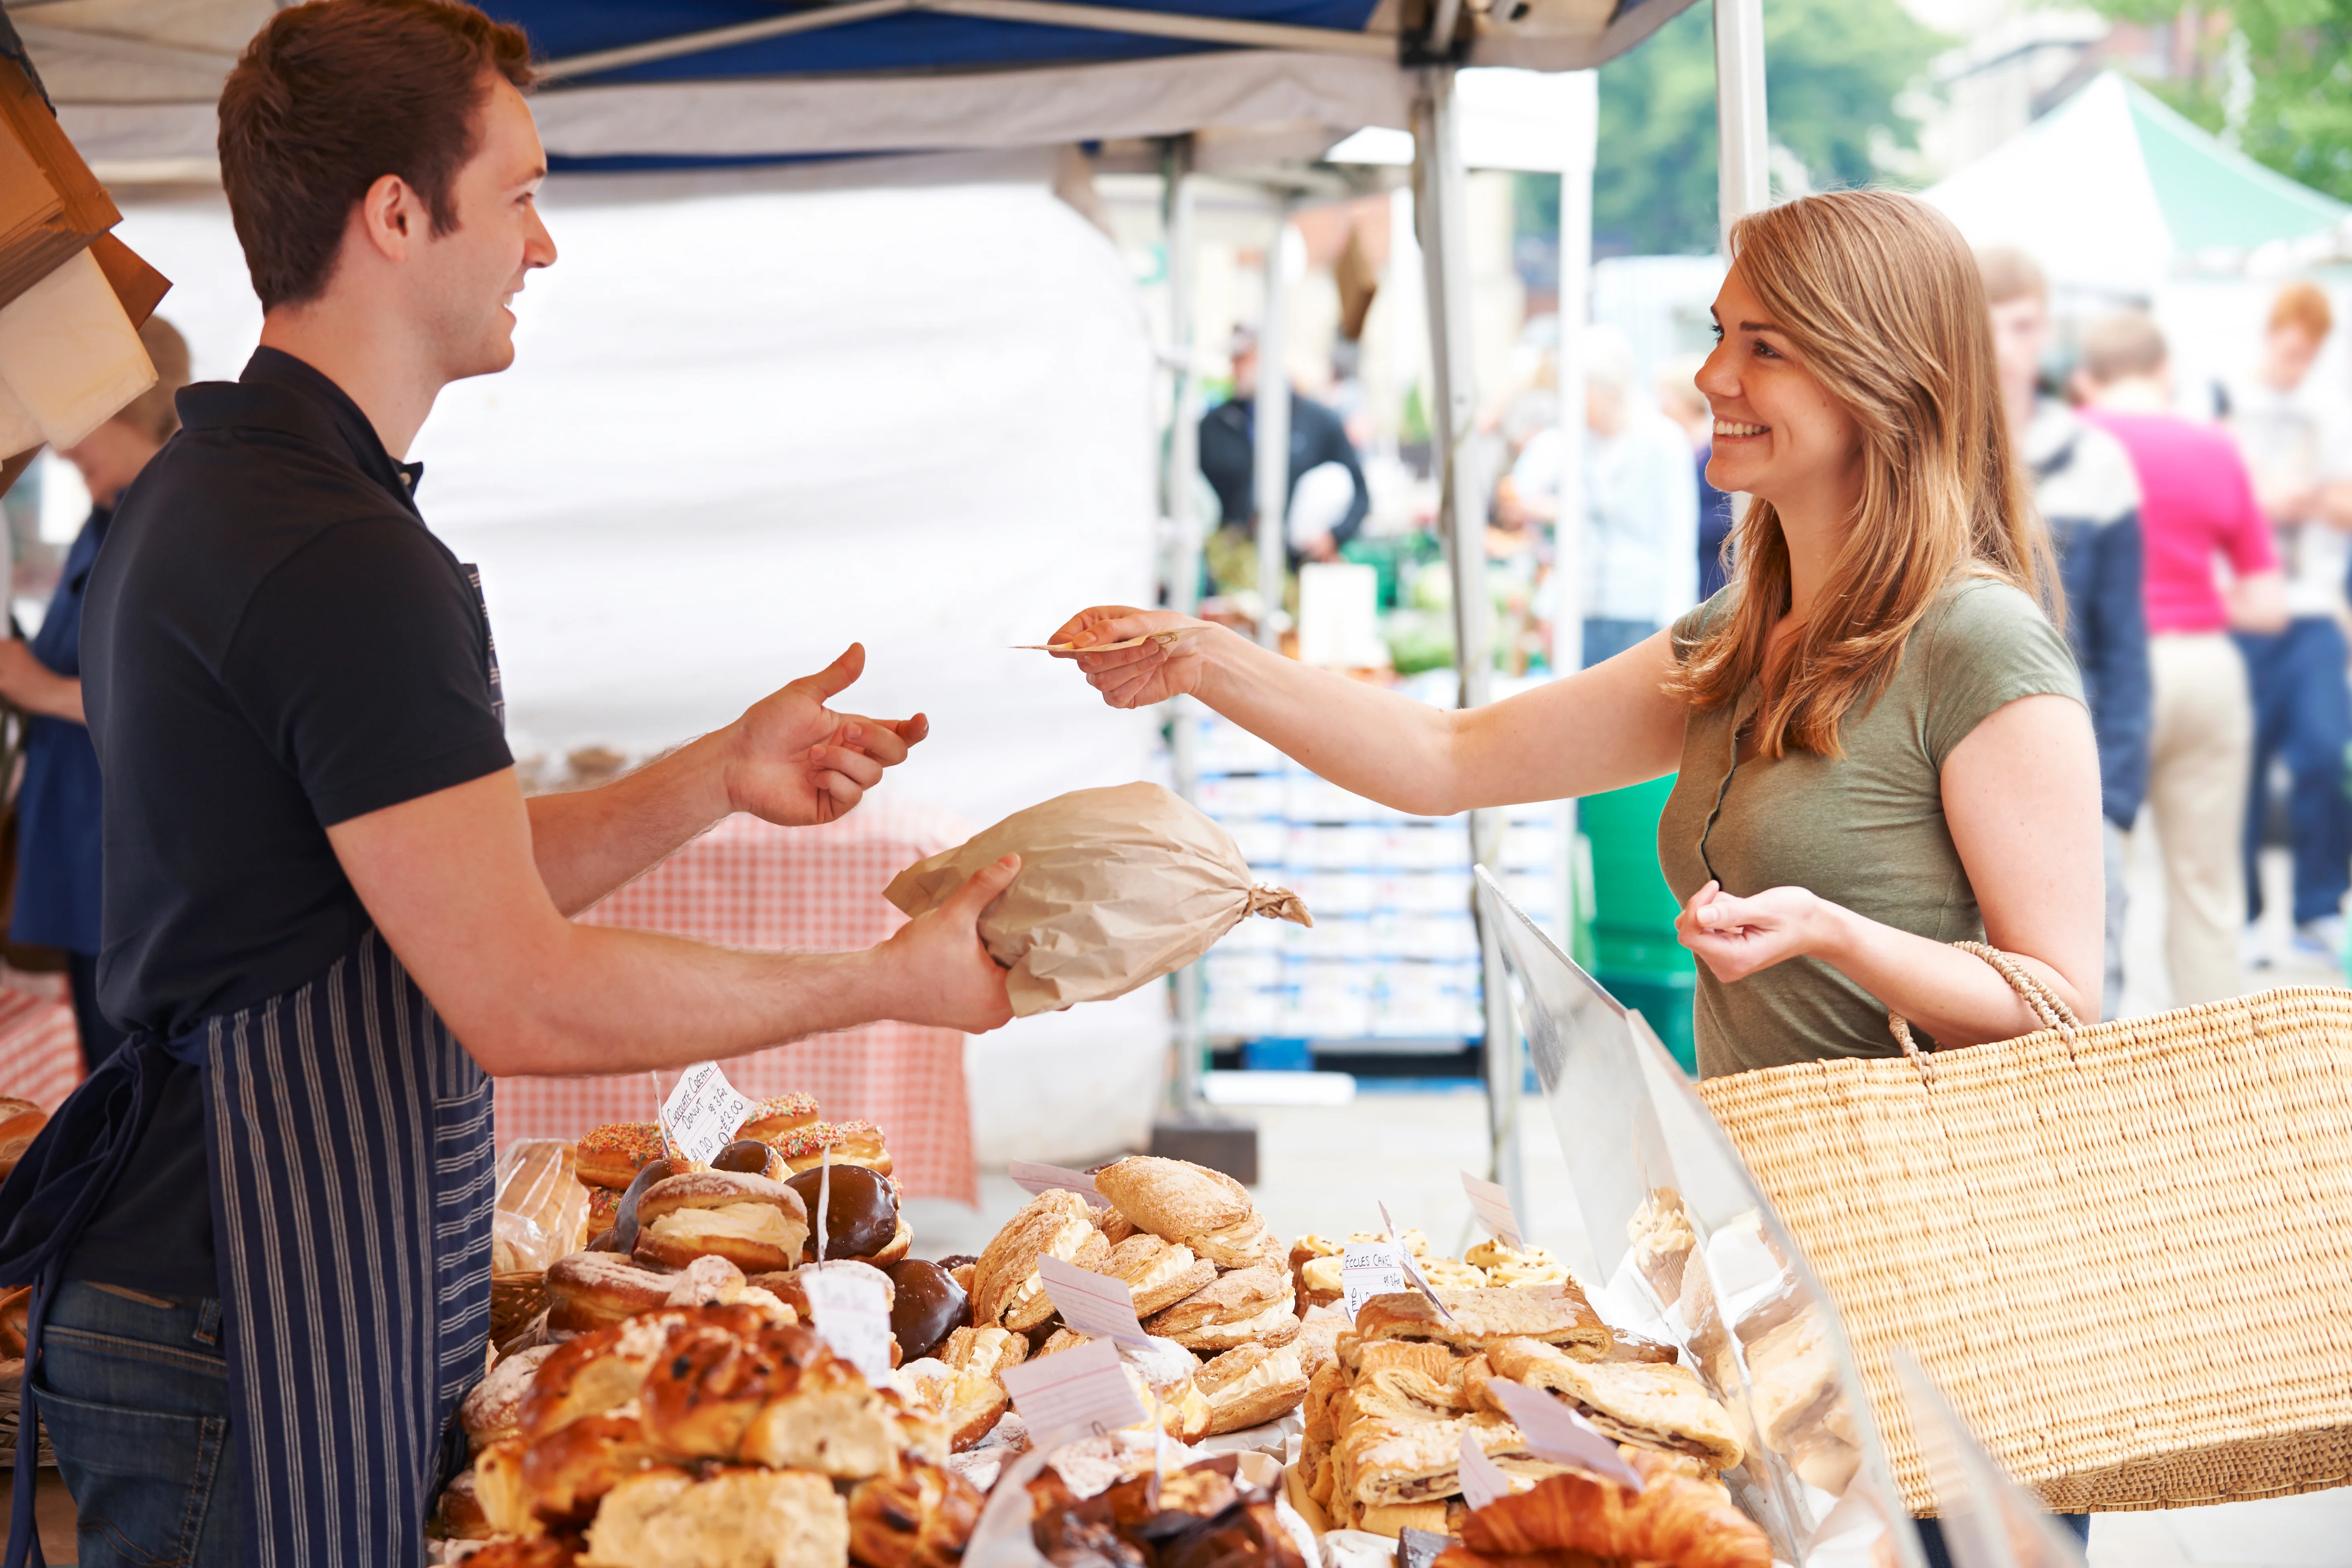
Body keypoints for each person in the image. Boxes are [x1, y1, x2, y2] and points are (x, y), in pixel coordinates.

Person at [0, 4, 1016, 1563]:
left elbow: (439, 872)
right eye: (524, 194)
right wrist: (881, 980)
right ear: (396, 215)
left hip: (231, 1265)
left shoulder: (223, 486)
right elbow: (520, 993)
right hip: (247, 1289)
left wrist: (713, 777)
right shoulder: (340, 554)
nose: (545, 248)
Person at [2076, 310, 2286, 1006]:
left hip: (2100, 678)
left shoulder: (2072, 446)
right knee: (2206, 888)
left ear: (2087, 381)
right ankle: (2218, 1078)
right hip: (2204, 667)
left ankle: (2086, 1072)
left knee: (2090, 885)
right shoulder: (2216, 448)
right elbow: (2267, 603)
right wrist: (2195, 595)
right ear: (2165, 371)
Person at [0, 318, 188, 1070]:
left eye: (76, 419)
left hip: (128, 868)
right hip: (80, 855)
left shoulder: (173, 517)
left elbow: (170, 701)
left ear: (123, 402)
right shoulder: (107, 511)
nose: (61, 443)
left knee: (136, 1087)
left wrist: (33, 685)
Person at [1978, 249, 2149, 1020]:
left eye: (2022, 326)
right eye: (1992, 325)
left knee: (2077, 1006)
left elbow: (2122, 639)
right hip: (1960, 767)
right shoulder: (1932, 458)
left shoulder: (2096, 460)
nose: (2008, 347)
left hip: (2074, 767)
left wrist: (2113, 799)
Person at [2224, 282, 2352, 963]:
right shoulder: (2224, 402)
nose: (2293, 365)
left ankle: (2315, 909)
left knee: (2323, 751)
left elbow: (2343, 504)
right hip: (2239, 614)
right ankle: (2243, 916)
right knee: (2238, 768)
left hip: (2310, 612)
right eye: (2288, 351)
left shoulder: (2330, 412)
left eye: (2307, 356)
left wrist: (2291, 500)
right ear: (2269, 335)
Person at [1574, 328, 1699, 667]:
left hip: (1641, 608)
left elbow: (1677, 531)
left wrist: (1675, 619)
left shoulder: (1662, 440)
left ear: (1609, 391)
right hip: (1584, 606)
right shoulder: (1576, 443)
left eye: (1583, 392)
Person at [1197, 325, 1369, 564]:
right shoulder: (1214, 426)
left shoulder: (1318, 421)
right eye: (1234, 360)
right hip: (1231, 562)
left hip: (1296, 563)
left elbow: (1360, 491)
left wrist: (1333, 537)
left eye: (1246, 359)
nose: (1236, 369)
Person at [1656, 352, 1737, 599]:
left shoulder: (1717, 447)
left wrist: (1681, 525)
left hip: (1713, 569)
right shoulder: (1669, 447)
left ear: (1687, 399)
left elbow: (1729, 515)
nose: (1659, 404)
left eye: (1666, 396)